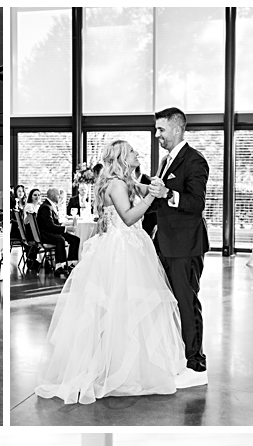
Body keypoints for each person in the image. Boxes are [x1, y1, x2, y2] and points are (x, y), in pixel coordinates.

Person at [35, 140, 197, 405]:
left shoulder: (126, 182)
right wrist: (150, 197)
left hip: (128, 245)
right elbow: (130, 216)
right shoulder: (117, 184)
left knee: (127, 309)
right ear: (122, 157)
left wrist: (158, 188)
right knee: (122, 308)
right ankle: (119, 369)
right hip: (122, 251)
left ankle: (129, 364)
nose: (137, 153)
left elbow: (147, 189)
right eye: (132, 151)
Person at [142, 107, 210, 381]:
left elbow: (197, 203)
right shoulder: (166, 160)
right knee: (169, 303)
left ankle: (196, 364)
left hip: (185, 246)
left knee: (186, 303)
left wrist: (169, 192)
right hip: (165, 243)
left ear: (177, 129)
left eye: (161, 129)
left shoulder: (195, 161)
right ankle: (178, 356)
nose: (157, 134)